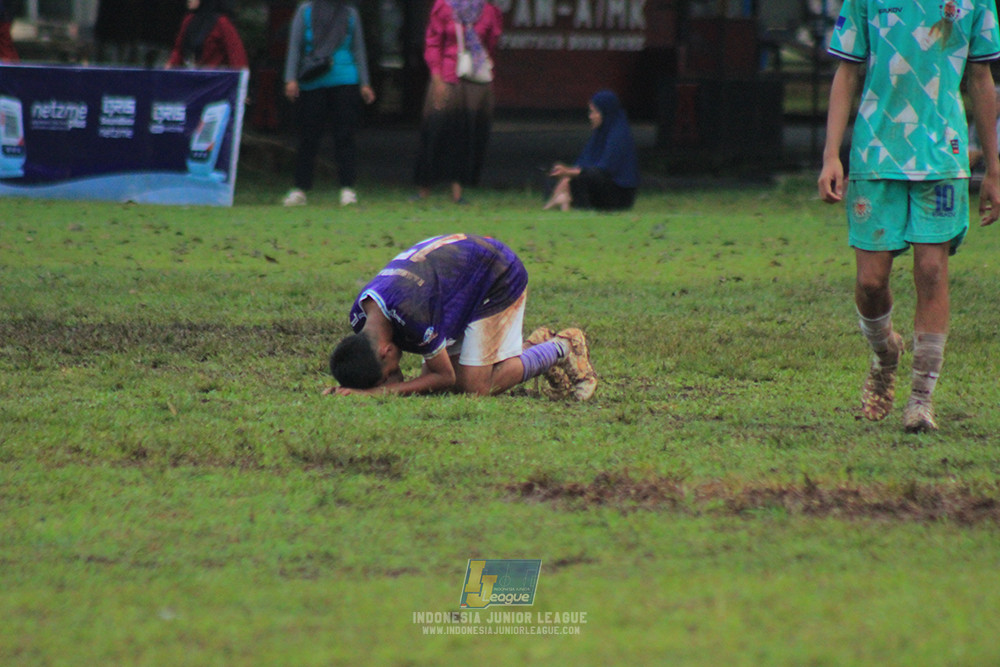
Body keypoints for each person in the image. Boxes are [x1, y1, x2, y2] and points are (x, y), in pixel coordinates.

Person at [817, 0, 1000, 433]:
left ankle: (921, 400)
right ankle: (884, 354)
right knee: (870, 282)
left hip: (943, 155)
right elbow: (847, 72)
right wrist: (830, 155)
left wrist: (994, 167)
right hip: (875, 153)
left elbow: (980, 78)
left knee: (932, 270)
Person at [324, 233, 597, 400]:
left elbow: (444, 377)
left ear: (386, 351)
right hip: (460, 283)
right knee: (441, 387)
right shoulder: (360, 316)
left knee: (474, 387)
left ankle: (563, 347)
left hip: (497, 274)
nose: (393, 377)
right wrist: (353, 387)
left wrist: (375, 393)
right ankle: (534, 348)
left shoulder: (412, 316)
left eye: (390, 372)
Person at [282, 0, 376, 208]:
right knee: (308, 136)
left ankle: (347, 188)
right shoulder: (304, 11)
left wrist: (365, 83)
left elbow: (358, 49)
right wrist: (291, 78)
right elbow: (295, 46)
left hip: (345, 79)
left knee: (345, 135)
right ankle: (301, 188)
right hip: (312, 80)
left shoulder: (350, 13)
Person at [412, 0, 502, 204]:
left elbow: (491, 45)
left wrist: (483, 69)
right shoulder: (443, 6)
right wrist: (436, 78)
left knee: (466, 135)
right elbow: (433, 42)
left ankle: (458, 193)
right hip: (446, 77)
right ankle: (424, 189)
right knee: (435, 130)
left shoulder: (489, 11)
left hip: (474, 81)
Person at [544, 89, 639, 212]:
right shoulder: (598, 135)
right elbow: (583, 163)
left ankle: (563, 201)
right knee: (556, 176)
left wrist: (569, 173)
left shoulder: (619, 135)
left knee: (588, 176)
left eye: (594, 112)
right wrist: (566, 174)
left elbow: (604, 169)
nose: (591, 116)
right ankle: (563, 199)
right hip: (596, 183)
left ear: (605, 112)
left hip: (618, 194)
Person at [166, 0, 248, 70]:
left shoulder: (222, 23)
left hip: (213, 82)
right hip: (190, 78)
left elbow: (237, 57)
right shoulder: (188, 20)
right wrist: (168, 69)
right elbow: (179, 50)